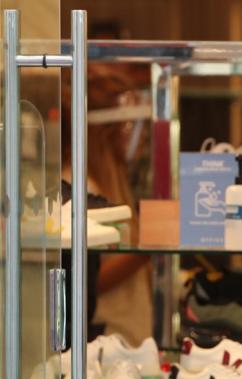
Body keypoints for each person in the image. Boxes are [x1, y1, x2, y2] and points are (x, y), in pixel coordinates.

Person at [62, 64, 153, 344]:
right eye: (128, 125)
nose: (138, 136)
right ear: (107, 130)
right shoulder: (74, 188)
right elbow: (83, 282)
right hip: (105, 342)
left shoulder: (108, 184)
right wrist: (148, 246)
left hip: (126, 339)